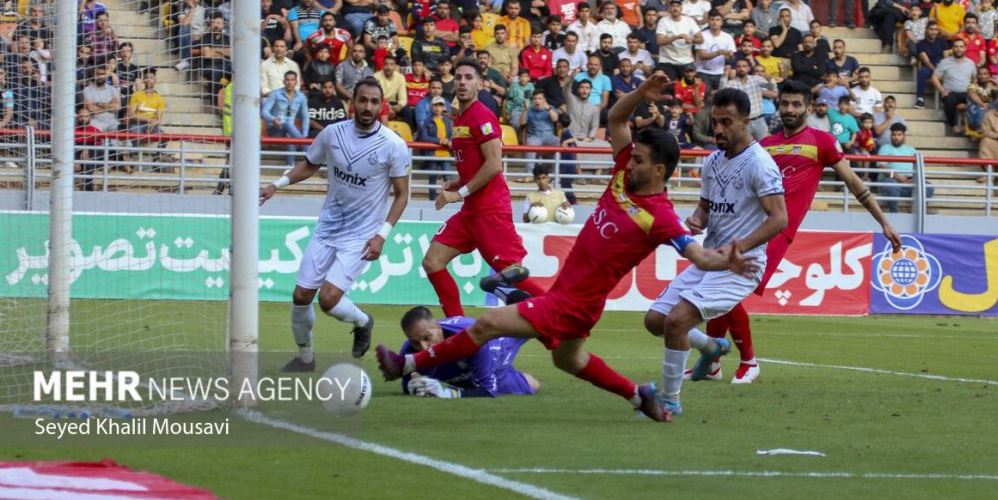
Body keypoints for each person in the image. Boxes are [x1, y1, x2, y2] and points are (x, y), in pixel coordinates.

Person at [376, 71, 763, 422]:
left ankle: (405, 363)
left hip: (573, 304)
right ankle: (637, 394)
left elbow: (697, 255)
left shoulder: (659, 216)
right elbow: (616, 119)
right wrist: (641, 93)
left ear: (659, 170)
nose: (629, 163)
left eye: (640, 161)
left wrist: (727, 260)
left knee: (487, 325)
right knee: (569, 360)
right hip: (574, 298)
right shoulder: (624, 172)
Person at [693, 79, 902, 384]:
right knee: (721, 289)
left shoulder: (822, 142)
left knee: (726, 289)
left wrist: (883, 221)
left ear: (808, 107)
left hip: (777, 229)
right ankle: (711, 364)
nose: (789, 110)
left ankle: (748, 361)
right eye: (785, 104)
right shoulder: (764, 145)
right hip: (744, 226)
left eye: (796, 104)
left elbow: (854, 183)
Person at [642, 87, 787, 411]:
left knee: (677, 321)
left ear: (745, 122)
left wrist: (739, 248)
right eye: (715, 121)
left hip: (742, 265)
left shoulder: (760, 164)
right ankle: (710, 348)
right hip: (711, 260)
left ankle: (668, 402)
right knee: (655, 321)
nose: (718, 129)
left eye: (726, 122)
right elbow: (705, 210)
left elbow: (780, 219)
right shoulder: (712, 162)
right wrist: (694, 221)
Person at [260, 77, 409, 371]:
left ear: (382, 106)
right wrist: (276, 185)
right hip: (327, 229)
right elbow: (310, 165)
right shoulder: (332, 134)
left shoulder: (394, 145)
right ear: (352, 102)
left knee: (328, 300)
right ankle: (305, 359)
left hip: (361, 236)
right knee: (301, 296)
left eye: (374, 102)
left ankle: (363, 321)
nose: (368, 107)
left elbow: (402, 195)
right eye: (363, 100)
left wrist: (382, 235)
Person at [419, 58, 549, 319]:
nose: (462, 82)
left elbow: (493, 165)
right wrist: (459, 182)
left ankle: (559, 310)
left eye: (468, 77)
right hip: (471, 212)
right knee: (432, 261)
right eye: (458, 77)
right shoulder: (460, 118)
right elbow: (475, 164)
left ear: (480, 83)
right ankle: (455, 326)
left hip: (490, 210)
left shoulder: (483, 116)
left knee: (512, 274)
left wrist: (459, 193)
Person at [398, 306, 539, 398]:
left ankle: (511, 294)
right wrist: (414, 384)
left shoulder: (472, 340)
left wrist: (447, 393)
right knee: (533, 385)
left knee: (539, 322)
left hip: (497, 346)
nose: (423, 348)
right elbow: (408, 385)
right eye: (416, 342)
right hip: (474, 371)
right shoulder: (409, 353)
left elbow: (489, 391)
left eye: (427, 338)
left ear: (438, 327)